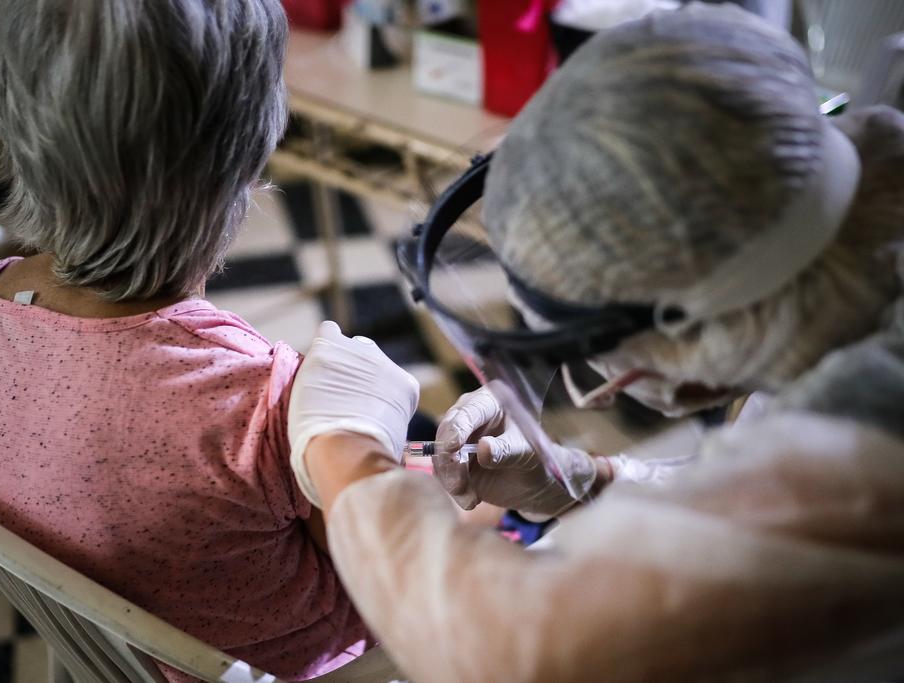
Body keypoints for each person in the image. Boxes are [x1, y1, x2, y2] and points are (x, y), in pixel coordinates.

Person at [288, 4, 904, 681]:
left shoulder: (870, 453)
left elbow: (517, 650)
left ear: (693, 330)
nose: (602, 390)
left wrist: (348, 460)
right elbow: (751, 497)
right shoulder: (836, 237)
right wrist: (588, 480)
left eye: (597, 356)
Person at [0, 2, 375, 680]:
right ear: (248, 148)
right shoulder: (254, 403)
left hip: (108, 654)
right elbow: (379, 566)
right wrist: (384, 442)